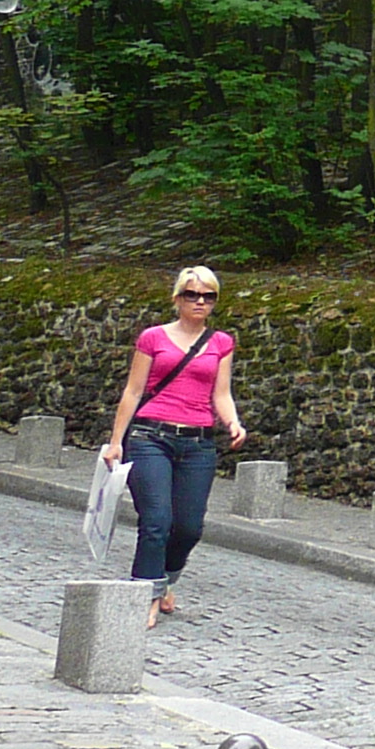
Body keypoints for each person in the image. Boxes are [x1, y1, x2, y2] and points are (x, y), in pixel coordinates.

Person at [97, 265, 245, 625]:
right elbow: (133, 391)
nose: (200, 302)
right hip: (150, 436)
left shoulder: (220, 343)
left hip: (198, 442)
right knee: (157, 520)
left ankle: (165, 580)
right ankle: (144, 595)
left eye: (208, 296)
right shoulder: (153, 338)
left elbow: (220, 393)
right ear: (177, 298)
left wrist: (233, 421)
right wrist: (116, 442)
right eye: (192, 295)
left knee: (189, 527)